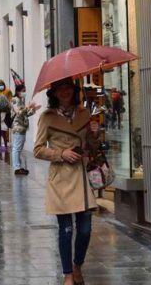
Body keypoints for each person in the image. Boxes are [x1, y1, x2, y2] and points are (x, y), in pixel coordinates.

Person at [33, 79, 100, 285]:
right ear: (53, 93)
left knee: (85, 229)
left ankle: (78, 264)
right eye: (60, 89)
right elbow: (38, 149)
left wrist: (95, 134)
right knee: (66, 229)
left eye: (68, 88)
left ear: (74, 90)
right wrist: (61, 153)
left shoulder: (84, 114)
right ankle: (68, 274)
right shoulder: (47, 117)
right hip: (61, 176)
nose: (65, 92)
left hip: (80, 175)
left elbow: (92, 146)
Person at [10, 84, 40, 175]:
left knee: (19, 148)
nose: (24, 93)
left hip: (22, 126)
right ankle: (17, 167)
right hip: (17, 126)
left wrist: (33, 109)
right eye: (23, 90)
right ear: (18, 91)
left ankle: (19, 166)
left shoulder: (21, 100)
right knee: (17, 148)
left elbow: (25, 114)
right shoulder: (14, 100)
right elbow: (18, 113)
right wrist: (27, 107)